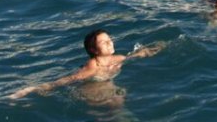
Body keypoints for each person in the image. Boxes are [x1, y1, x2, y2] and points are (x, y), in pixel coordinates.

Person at [10, 29, 163, 99]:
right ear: (93, 50)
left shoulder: (118, 58)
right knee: (118, 102)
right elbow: (69, 79)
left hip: (108, 85)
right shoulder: (92, 66)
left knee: (120, 97)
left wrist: (153, 49)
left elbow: (135, 56)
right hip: (93, 91)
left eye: (110, 39)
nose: (110, 43)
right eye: (104, 42)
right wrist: (34, 89)